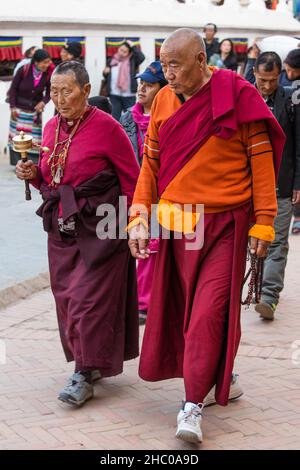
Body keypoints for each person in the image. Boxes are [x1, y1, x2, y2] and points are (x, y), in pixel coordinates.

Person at [127, 28, 285, 444]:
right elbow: (151, 164)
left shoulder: (237, 93)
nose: (169, 73)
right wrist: (139, 216)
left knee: (208, 314)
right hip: (178, 226)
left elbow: (261, 161)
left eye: (176, 64)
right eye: (164, 64)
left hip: (223, 226)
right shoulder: (162, 99)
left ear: (201, 59)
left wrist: (264, 220)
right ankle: (220, 374)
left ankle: (192, 404)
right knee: (182, 314)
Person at [15, 61, 140, 407]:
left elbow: (133, 177)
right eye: (54, 92)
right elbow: (49, 177)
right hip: (63, 225)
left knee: (89, 301)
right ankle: (90, 362)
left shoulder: (108, 128)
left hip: (103, 224)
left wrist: (137, 223)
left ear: (85, 91)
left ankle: (83, 373)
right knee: (67, 299)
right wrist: (31, 174)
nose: (59, 98)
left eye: (66, 91)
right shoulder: (52, 126)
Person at [252, 52, 300, 320]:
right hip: (247, 184)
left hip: (280, 183)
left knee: (277, 241)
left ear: (280, 74)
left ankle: (269, 297)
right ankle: (248, 288)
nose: (267, 86)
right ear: (254, 74)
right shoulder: (245, 97)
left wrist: (297, 182)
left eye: (272, 80)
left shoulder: (292, 101)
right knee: (248, 240)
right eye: (262, 80)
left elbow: (299, 144)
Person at [120, 61, 167, 325]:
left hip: (162, 192)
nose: (142, 90)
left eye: (149, 85)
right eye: (141, 84)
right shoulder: (127, 117)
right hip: (133, 192)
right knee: (139, 246)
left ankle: (148, 302)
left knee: (157, 247)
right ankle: (140, 301)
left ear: (161, 90)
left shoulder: (170, 117)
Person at [8, 49, 53, 165]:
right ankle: (17, 163)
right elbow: (13, 89)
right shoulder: (24, 70)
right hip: (18, 110)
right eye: (44, 62)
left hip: (34, 112)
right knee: (17, 137)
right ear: (36, 62)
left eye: (48, 62)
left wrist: (43, 102)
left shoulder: (47, 74)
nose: (47, 65)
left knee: (34, 138)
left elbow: (49, 92)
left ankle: (32, 163)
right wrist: (12, 107)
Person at [102, 40, 145, 121]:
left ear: (129, 53)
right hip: (114, 94)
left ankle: (129, 133)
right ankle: (117, 133)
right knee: (115, 118)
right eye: (121, 50)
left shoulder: (133, 61)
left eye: (125, 51)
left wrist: (132, 46)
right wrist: (105, 72)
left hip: (128, 95)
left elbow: (141, 57)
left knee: (130, 118)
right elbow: (106, 75)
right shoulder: (112, 60)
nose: (121, 53)